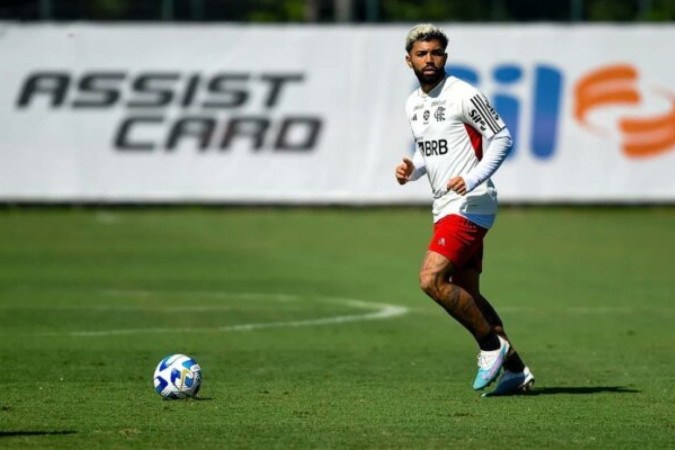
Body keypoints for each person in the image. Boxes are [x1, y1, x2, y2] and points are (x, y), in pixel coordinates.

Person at [395, 24, 534, 395]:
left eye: (436, 52)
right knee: (467, 291)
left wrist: (472, 179)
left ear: (445, 56)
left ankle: (491, 347)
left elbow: (502, 136)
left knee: (431, 279)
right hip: (445, 204)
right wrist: (412, 170)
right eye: (422, 54)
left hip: (472, 203)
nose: (429, 59)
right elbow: (430, 150)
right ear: (408, 59)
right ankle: (516, 371)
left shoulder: (464, 94)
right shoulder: (414, 103)